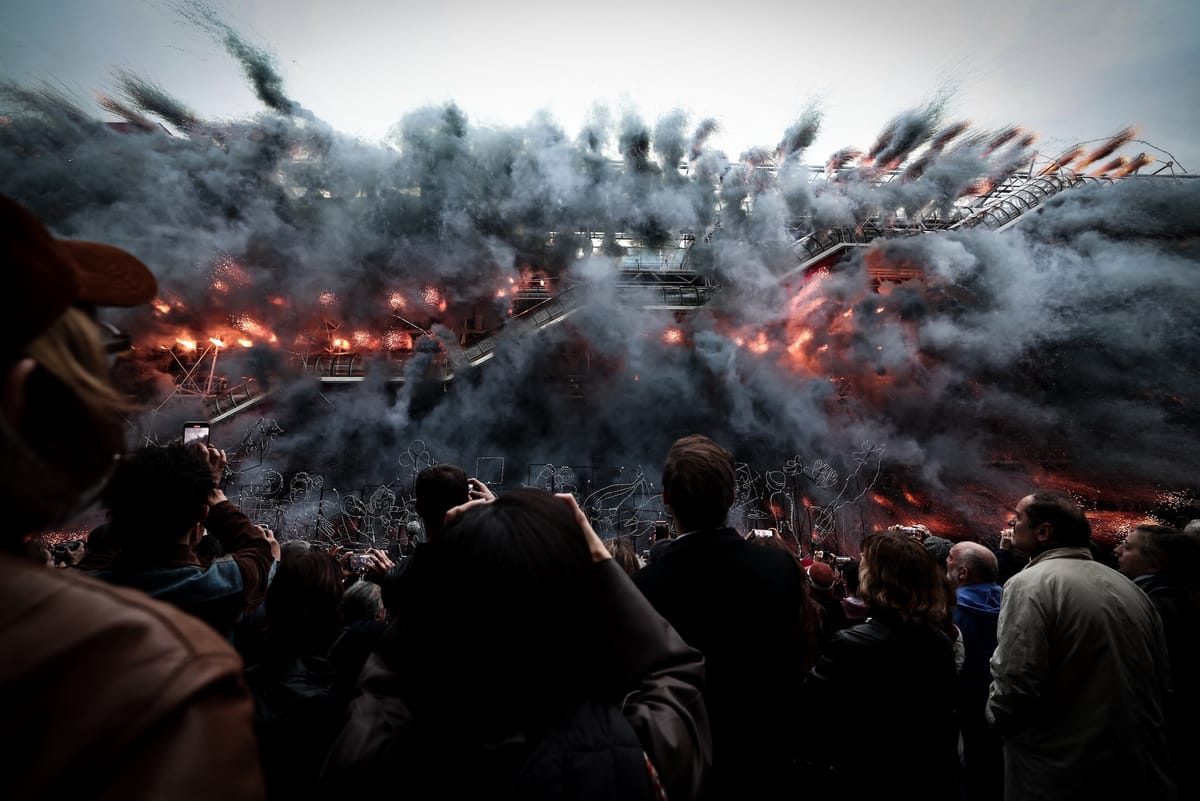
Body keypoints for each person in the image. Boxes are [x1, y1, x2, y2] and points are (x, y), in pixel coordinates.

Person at [0, 193, 264, 800]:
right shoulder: (156, 673)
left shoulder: (96, 585)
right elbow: (257, 558)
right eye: (100, 356)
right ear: (23, 399)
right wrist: (213, 494)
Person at [319, 489, 710, 801]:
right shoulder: (629, 759)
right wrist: (598, 556)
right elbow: (671, 672)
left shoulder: (372, 762)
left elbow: (386, 680)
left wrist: (443, 559)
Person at [633, 434, 814, 800]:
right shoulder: (779, 569)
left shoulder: (646, 587)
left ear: (667, 500)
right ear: (732, 498)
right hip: (767, 766)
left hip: (690, 772)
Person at [987, 491, 1175, 801]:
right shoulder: (1127, 586)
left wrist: (995, 719)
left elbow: (1016, 679)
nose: (1012, 523)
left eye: (1018, 517)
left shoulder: (1030, 583)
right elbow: (1162, 678)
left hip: (1061, 767)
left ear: (1044, 532)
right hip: (1134, 762)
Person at [803, 533, 961, 800]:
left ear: (878, 578)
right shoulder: (939, 639)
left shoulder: (852, 645)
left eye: (865, 564)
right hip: (925, 776)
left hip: (866, 777)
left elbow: (811, 711)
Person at [88, 442, 279, 636]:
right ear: (203, 515)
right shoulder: (216, 588)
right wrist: (211, 492)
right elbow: (260, 554)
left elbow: (115, 538)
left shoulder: (81, 589)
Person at [1115, 524, 1200, 798]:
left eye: (1128, 547)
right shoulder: (1173, 598)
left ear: (1154, 563)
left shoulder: (1156, 607)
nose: (1117, 551)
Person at [947, 541, 1004, 801]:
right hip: (1000, 697)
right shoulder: (1010, 599)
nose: (945, 563)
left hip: (964, 701)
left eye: (949, 559)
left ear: (963, 573)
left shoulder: (950, 611)